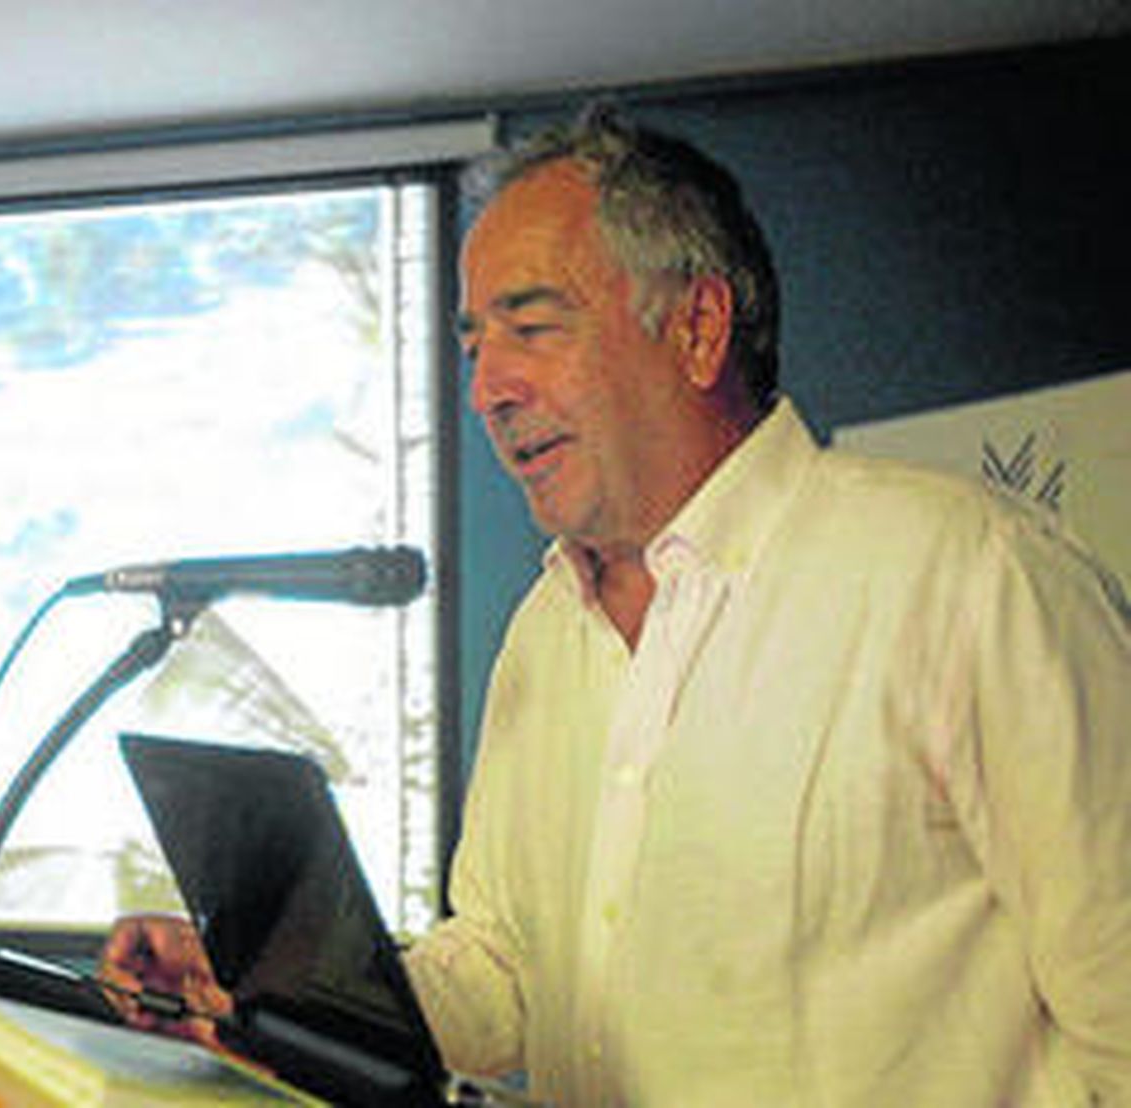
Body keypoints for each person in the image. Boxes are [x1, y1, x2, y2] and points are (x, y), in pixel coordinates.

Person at [100, 109, 1131, 1105]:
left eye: (532, 327)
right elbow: (505, 972)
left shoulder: (973, 580)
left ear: (695, 326)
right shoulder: (544, 633)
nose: (488, 388)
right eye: (471, 347)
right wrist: (271, 986)